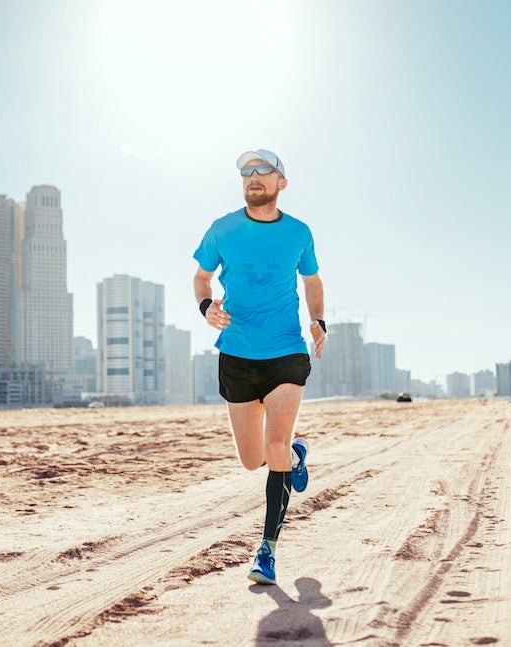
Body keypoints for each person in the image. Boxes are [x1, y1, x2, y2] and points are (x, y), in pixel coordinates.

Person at [192, 148, 326, 586]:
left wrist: (318, 321)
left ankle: (266, 551)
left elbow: (312, 282)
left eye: (263, 170)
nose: (253, 176)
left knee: (274, 445)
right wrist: (206, 306)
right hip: (237, 355)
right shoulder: (222, 229)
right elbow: (201, 277)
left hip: (286, 351)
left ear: (281, 182)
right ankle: (296, 454)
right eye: (247, 171)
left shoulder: (299, 233)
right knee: (253, 460)